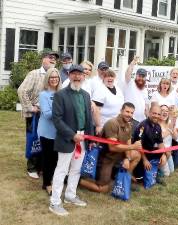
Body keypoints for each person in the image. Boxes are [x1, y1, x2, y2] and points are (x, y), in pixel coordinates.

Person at [49, 64, 94, 216]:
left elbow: (88, 119)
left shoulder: (86, 95)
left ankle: (70, 195)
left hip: (82, 139)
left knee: (76, 169)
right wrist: (72, 135)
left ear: (83, 76)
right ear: (69, 75)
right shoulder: (60, 95)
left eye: (79, 74)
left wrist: (90, 137)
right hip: (67, 139)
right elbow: (57, 119)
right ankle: (54, 202)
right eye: (73, 74)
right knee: (61, 170)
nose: (77, 76)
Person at [80, 102, 142, 193]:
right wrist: (133, 146)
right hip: (106, 158)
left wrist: (127, 158)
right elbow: (113, 147)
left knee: (136, 155)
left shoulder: (128, 125)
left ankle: (123, 180)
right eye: (127, 112)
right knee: (103, 189)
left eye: (131, 113)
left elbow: (128, 144)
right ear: (121, 111)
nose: (129, 115)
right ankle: (77, 181)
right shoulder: (112, 123)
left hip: (118, 155)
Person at [17, 50, 59, 179]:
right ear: (43, 59)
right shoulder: (34, 74)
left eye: (55, 59)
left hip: (49, 115)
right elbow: (22, 90)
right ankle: (32, 167)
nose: (53, 60)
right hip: (34, 115)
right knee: (34, 139)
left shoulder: (56, 76)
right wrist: (31, 107)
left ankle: (41, 166)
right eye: (50, 57)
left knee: (46, 140)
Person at [37, 68, 62, 195]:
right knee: (48, 158)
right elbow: (47, 114)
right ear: (47, 79)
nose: (54, 79)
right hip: (47, 131)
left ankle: (53, 180)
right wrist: (63, 112)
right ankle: (46, 184)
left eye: (56, 77)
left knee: (57, 158)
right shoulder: (43, 94)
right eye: (51, 77)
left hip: (59, 132)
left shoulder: (62, 93)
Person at [133, 104, 167, 184]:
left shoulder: (158, 126)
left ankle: (154, 173)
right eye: (154, 113)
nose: (156, 116)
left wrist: (163, 154)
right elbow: (138, 145)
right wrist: (145, 160)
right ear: (149, 113)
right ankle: (132, 175)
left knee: (166, 154)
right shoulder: (142, 126)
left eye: (158, 114)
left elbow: (160, 142)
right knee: (140, 179)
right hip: (139, 153)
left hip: (150, 151)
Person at [124, 58, 149, 123]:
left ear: (145, 78)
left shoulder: (145, 90)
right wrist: (133, 62)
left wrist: (149, 120)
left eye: (143, 76)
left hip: (142, 120)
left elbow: (146, 107)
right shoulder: (130, 83)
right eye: (139, 76)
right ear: (136, 76)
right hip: (130, 119)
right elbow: (128, 72)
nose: (141, 78)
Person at [158, 104, 178, 176]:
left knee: (172, 171)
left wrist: (173, 125)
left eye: (167, 111)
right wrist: (170, 129)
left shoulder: (170, 123)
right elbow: (160, 138)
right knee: (166, 174)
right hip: (159, 151)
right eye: (162, 110)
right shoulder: (156, 124)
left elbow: (176, 137)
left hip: (168, 152)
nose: (165, 112)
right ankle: (156, 170)